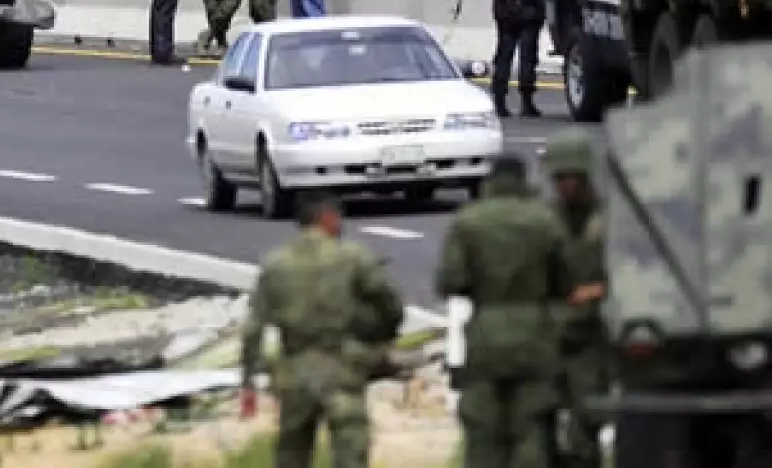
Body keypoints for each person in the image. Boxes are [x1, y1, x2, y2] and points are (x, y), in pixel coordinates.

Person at [239, 194, 406, 468]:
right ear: (328, 218)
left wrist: (247, 382)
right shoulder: (351, 257)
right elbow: (390, 303)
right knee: (351, 449)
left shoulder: (276, 264)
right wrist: (381, 340)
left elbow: (252, 329)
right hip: (342, 368)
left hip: (294, 372)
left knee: (292, 450)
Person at [436, 153, 572, 468]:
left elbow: (450, 281)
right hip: (535, 336)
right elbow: (565, 279)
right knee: (531, 426)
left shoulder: (469, 221)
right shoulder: (544, 221)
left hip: (486, 334)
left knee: (483, 429)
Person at [544, 130, 609, 468]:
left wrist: (599, 290)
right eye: (560, 178)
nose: (567, 184)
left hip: (592, 338)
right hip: (551, 336)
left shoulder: (609, 221)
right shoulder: (545, 221)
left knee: (587, 424)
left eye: (574, 177)